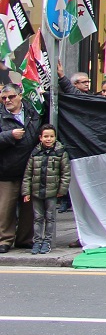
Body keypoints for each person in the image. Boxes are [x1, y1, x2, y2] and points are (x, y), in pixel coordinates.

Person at [0, 86, 39, 253]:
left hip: (29, 169)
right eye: (4, 98)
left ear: (20, 96)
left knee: (28, 208)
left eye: (11, 97)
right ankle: (4, 240)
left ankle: (24, 239)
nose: (7, 100)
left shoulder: (33, 112)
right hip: (6, 169)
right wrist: (9, 135)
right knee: (5, 208)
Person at [22, 124, 70, 255]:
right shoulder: (35, 153)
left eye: (51, 136)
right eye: (46, 136)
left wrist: (62, 190)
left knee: (50, 217)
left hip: (52, 191)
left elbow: (66, 174)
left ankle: (47, 241)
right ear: (40, 138)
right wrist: (26, 192)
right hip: (36, 191)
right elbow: (28, 173)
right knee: (38, 217)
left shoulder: (61, 153)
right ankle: (37, 241)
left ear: (55, 137)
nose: (49, 139)